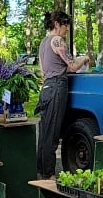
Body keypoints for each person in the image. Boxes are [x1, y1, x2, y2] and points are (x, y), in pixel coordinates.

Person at [35, 10, 88, 179]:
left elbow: (43, 70)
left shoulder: (43, 43)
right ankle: (49, 175)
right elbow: (72, 66)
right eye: (65, 25)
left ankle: (42, 171)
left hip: (46, 88)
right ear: (57, 24)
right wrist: (85, 59)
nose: (66, 29)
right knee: (53, 134)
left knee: (44, 133)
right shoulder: (57, 41)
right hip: (57, 87)